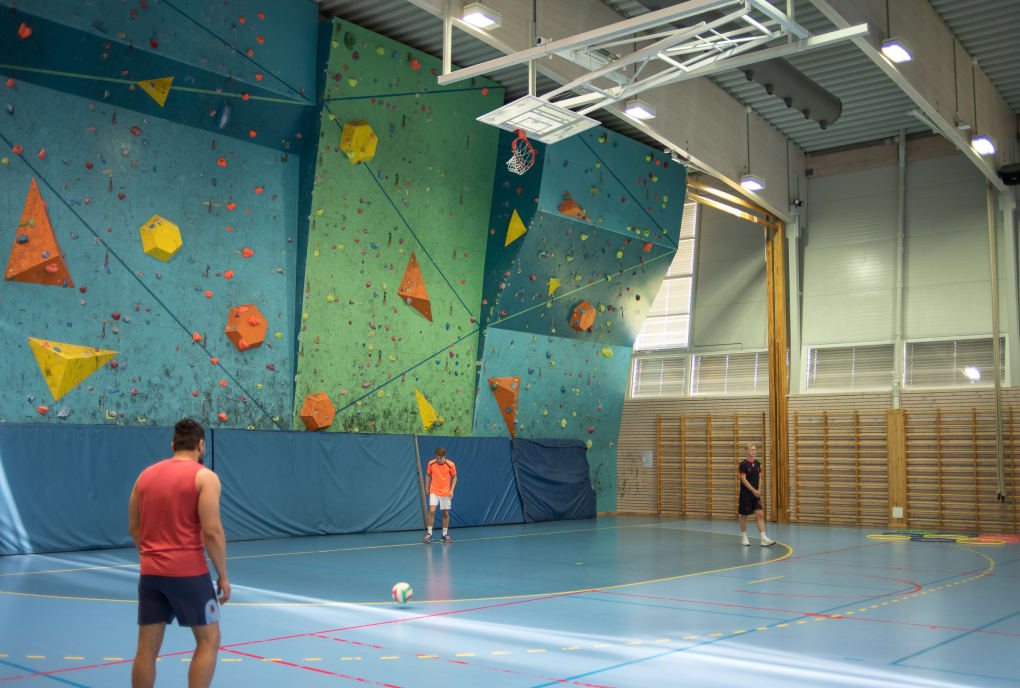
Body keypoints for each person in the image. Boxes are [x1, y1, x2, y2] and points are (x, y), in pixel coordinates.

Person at [128, 418, 230, 688]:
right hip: (189, 573)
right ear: (200, 445)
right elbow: (212, 531)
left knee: (146, 650)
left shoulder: (144, 476)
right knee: (209, 641)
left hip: (150, 575)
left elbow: (134, 527)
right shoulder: (205, 477)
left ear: (173, 445)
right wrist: (223, 576)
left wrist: (152, 556)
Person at [738, 442, 775, 547]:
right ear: (746, 451)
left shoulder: (758, 463)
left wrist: (758, 489)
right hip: (746, 494)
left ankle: (764, 538)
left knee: (760, 514)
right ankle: (744, 537)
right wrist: (753, 490)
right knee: (744, 515)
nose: (753, 451)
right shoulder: (743, 464)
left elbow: (760, 477)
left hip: (756, 494)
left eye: (754, 450)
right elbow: (743, 479)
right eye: (751, 450)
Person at [424, 447, 457, 543]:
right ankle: (429, 534)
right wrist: (427, 487)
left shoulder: (450, 465)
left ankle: (444, 534)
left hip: (445, 492)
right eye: (437, 458)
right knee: (432, 511)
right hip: (434, 490)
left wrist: (452, 490)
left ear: (444, 456)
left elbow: (454, 478)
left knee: (445, 513)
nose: (439, 460)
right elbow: (428, 475)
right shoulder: (431, 463)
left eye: (441, 458)